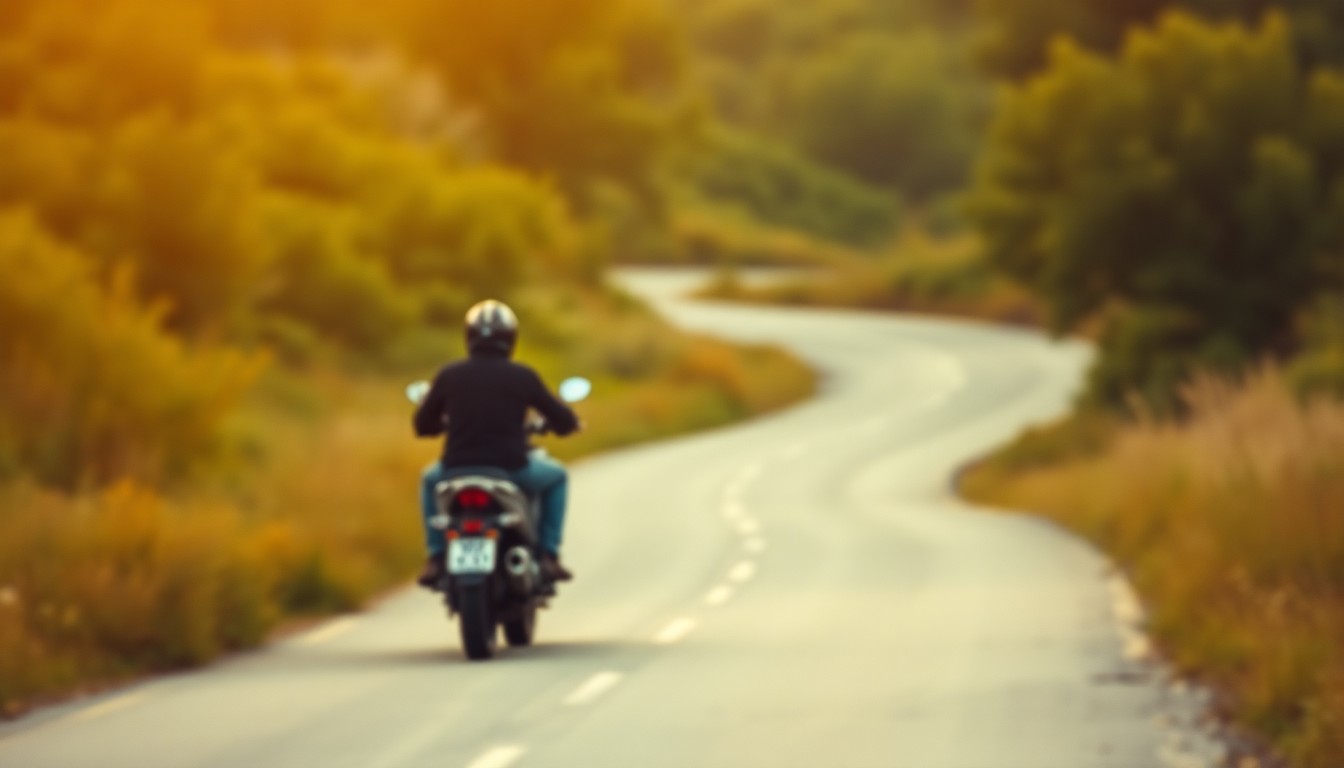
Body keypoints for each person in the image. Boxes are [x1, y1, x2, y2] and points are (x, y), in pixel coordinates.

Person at [413, 300, 580, 587]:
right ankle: (548, 555)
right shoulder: (523, 376)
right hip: (511, 469)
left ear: (469, 337)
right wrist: (566, 425)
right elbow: (563, 420)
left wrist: (443, 425)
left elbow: (421, 425)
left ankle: (436, 557)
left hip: (455, 469)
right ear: (510, 338)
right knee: (557, 476)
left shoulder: (449, 375)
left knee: (429, 479)